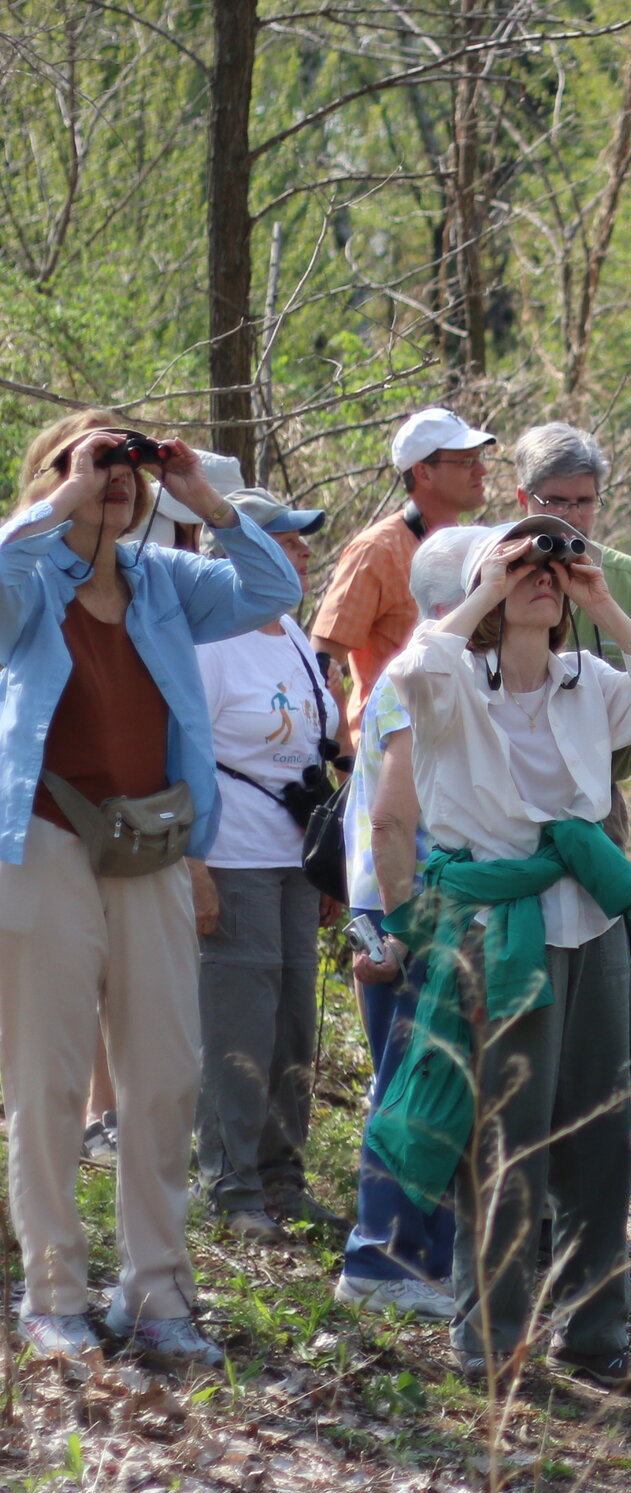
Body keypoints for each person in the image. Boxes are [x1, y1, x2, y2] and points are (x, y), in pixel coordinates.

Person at [369, 516, 631, 1390]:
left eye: (550, 564)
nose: (541, 573)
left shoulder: (586, 677)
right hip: (499, 926)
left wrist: (602, 604)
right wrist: (491, 581)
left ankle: (595, 1334)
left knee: (598, 1137)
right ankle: (492, 1340)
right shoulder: (451, 685)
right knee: (507, 1138)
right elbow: (410, 668)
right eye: (523, 563)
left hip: (591, 916)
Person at [0, 413, 302, 1368]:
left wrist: (203, 497)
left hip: (154, 846)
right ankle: (53, 1291)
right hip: (46, 844)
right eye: (98, 464)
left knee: (165, 1074)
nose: (116, 478)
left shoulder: (167, 582)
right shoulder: (28, 578)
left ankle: (158, 1294)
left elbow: (275, 586)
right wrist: (66, 494)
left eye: (128, 468)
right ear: (53, 478)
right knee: (47, 1078)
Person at [333, 526, 489, 1321]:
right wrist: (401, 930)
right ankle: (381, 1259)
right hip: (404, 908)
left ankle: (428, 1258)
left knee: (439, 1083)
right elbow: (395, 820)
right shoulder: (419, 676)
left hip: (424, 905)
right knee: (410, 1085)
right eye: (489, 579)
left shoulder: (456, 673)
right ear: (447, 602)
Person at [190, 483, 346, 1245]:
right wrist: (195, 867)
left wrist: (330, 867)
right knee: (236, 1026)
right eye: (286, 539)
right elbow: (178, 755)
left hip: (294, 859)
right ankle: (230, 1184)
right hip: (232, 856)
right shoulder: (210, 642)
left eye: (303, 540)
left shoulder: (288, 632)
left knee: (291, 1024)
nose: (304, 552)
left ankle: (284, 1177)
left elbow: (321, 744)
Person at [506, 422, 631, 843]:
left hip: (601, 796)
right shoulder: (493, 570)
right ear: (523, 498)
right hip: (506, 796)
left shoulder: (624, 576)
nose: (571, 516)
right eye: (556, 501)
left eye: (584, 501)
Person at [311, 406, 494, 749]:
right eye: (467, 461)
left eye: (478, 459)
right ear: (423, 473)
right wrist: (344, 761)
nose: (482, 470)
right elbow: (322, 663)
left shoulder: (475, 547)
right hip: (391, 750)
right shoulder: (377, 551)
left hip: (458, 747)